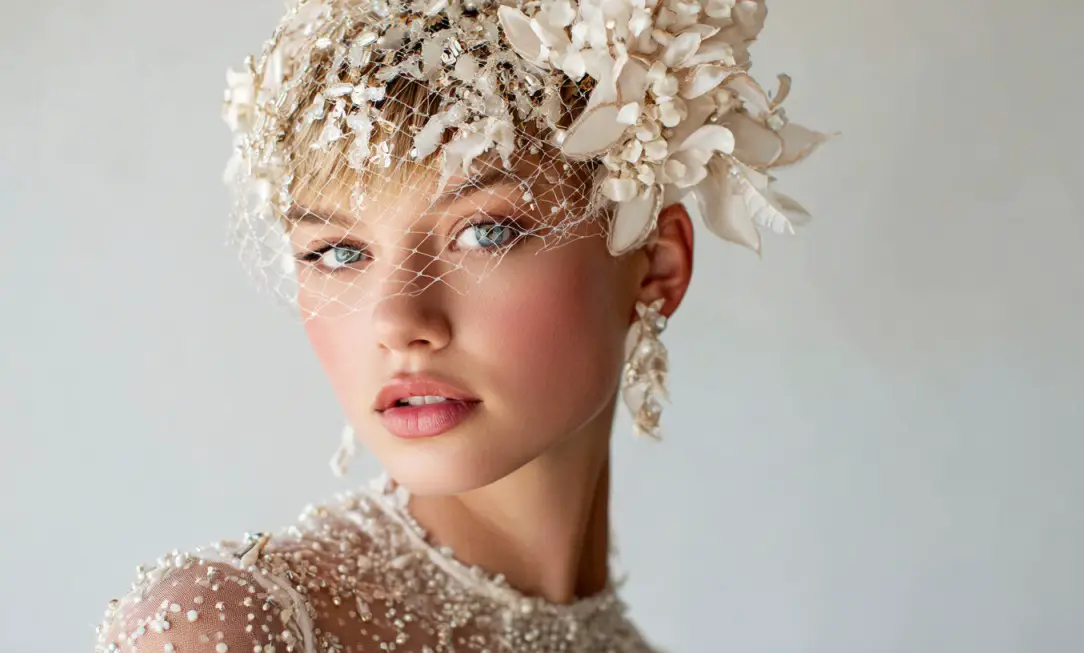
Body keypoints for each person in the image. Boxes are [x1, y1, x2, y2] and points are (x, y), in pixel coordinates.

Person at [93, 0, 826, 650]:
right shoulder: (225, 627)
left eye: (485, 234)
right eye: (338, 251)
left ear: (656, 265)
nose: (399, 322)